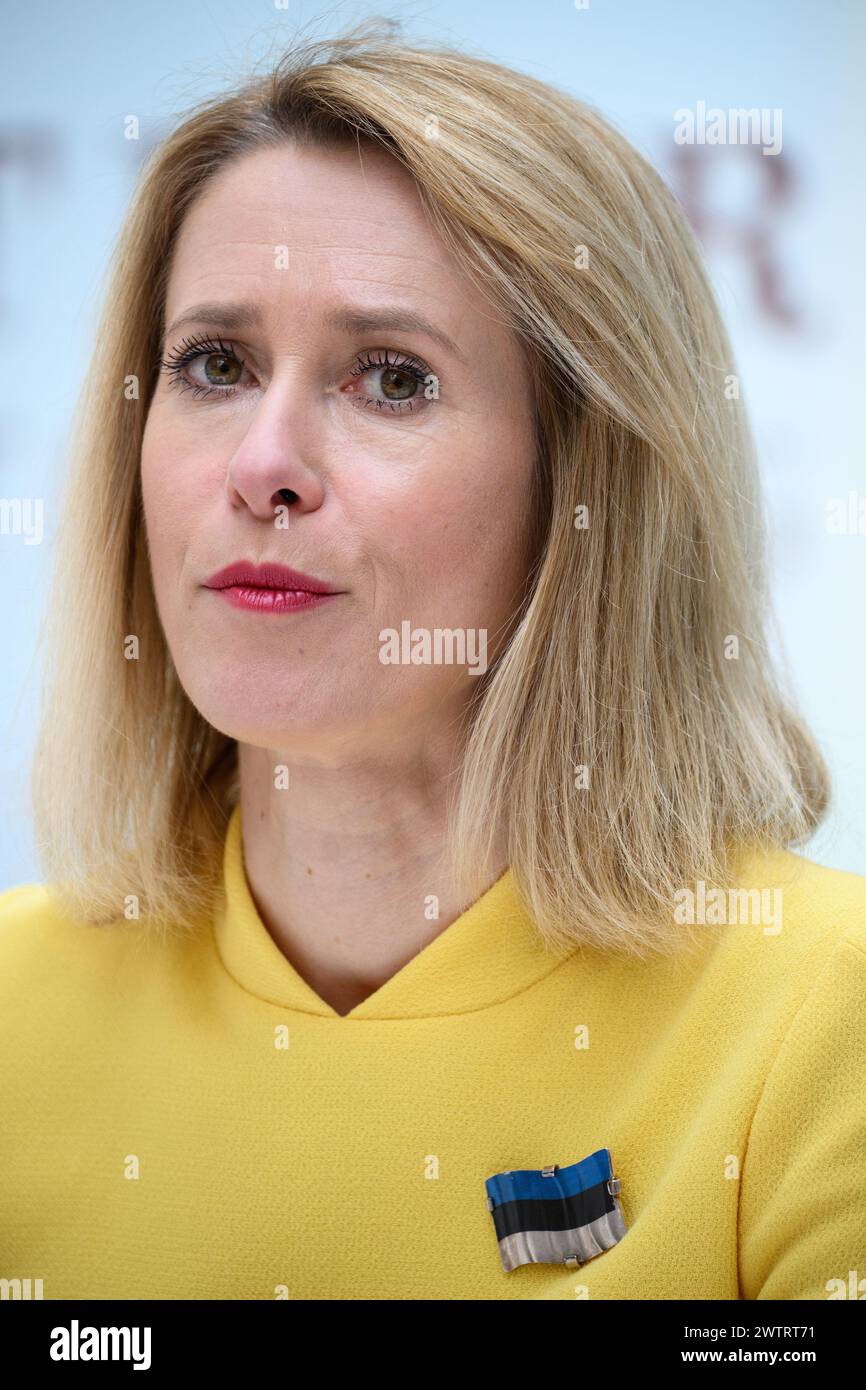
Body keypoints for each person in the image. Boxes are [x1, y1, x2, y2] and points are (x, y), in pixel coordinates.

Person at [1, 21, 864, 1301]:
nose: (261, 465)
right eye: (216, 365)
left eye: (389, 379)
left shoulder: (820, 1021)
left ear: (582, 487)